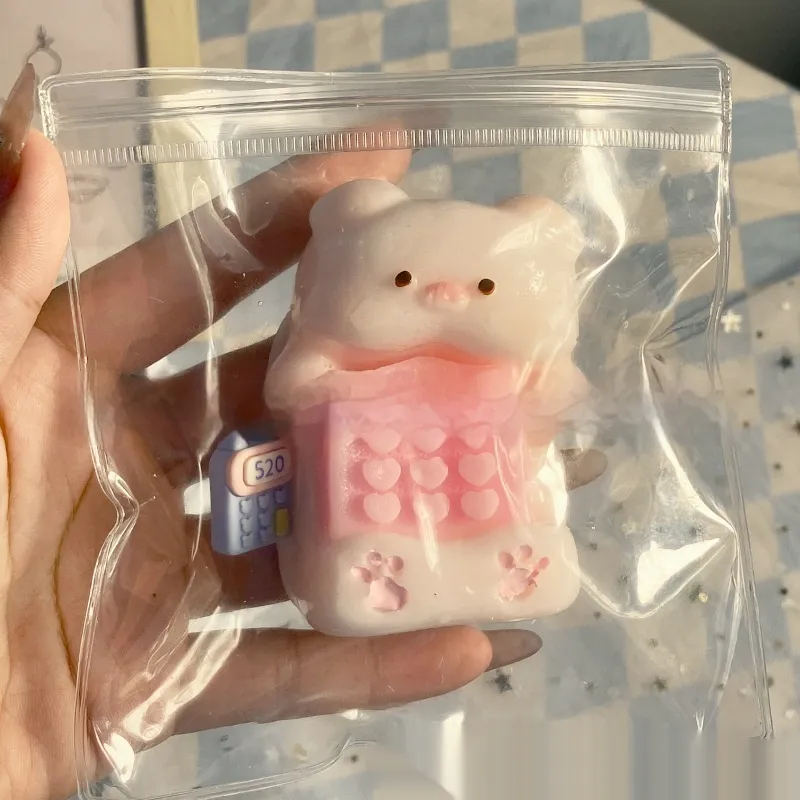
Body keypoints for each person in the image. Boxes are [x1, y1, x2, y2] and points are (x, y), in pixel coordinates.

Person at [0, 66, 555, 800]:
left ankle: (507, 557)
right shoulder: (329, 360)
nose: (446, 297)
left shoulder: (509, 370)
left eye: (484, 287)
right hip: (368, 475)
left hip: (476, 466)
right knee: (370, 528)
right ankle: (382, 566)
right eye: (402, 280)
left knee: (490, 508)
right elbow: (294, 383)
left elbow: (548, 401)